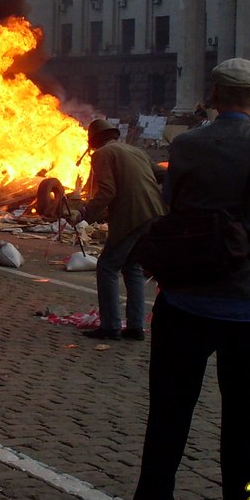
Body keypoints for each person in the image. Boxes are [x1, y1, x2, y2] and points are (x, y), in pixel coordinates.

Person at [130, 57, 250, 500]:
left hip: (186, 301)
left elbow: (174, 201)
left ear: (212, 94)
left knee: (168, 413)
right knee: (245, 422)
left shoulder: (185, 145)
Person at [71, 118, 165, 341]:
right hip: (155, 215)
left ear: (93, 141)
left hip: (132, 216)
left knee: (107, 267)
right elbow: (163, 175)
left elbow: (107, 191)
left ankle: (111, 326)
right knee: (132, 267)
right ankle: (135, 327)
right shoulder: (136, 151)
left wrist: (84, 213)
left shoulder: (102, 155)